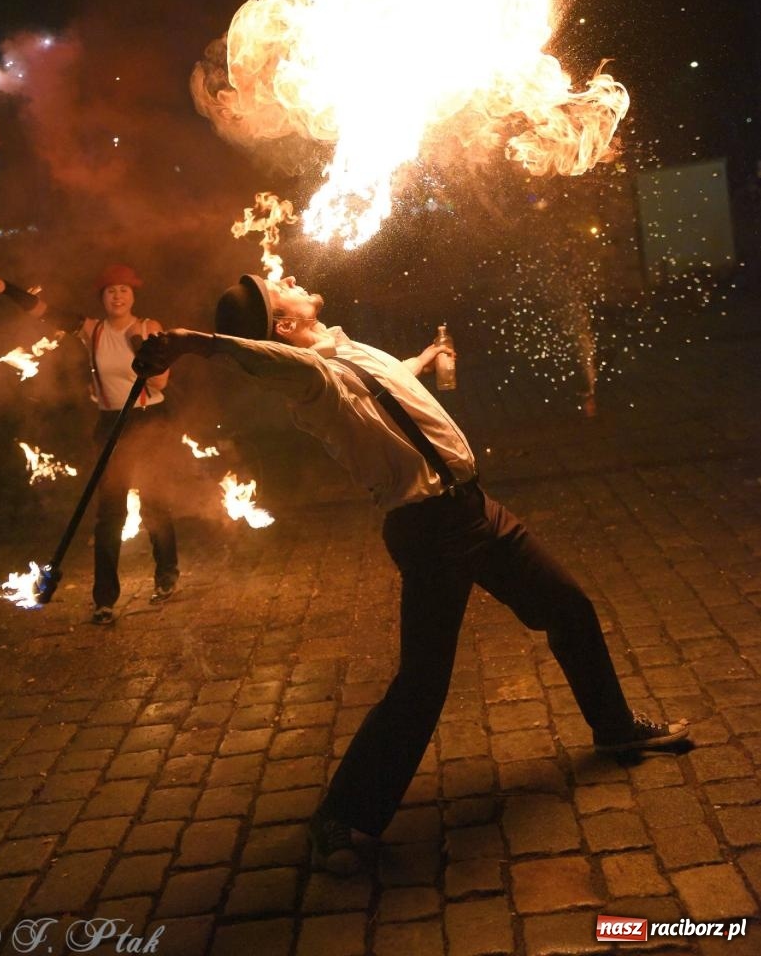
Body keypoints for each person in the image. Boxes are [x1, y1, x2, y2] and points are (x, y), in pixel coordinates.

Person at [133, 273, 689, 874]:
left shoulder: (346, 350)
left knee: (569, 607)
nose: (288, 275)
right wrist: (195, 340)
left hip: (477, 511)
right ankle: (338, 819)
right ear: (284, 327)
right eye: (278, 287)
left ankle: (615, 729)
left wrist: (423, 358)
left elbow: (384, 384)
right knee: (423, 683)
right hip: (430, 533)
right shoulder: (307, 378)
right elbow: (259, 359)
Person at [0, 266, 179, 625]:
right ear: (102, 298)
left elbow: (162, 382)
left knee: (155, 506)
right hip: (110, 424)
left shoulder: (150, 327)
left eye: (123, 290)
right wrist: (6, 287)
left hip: (149, 421)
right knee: (110, 515)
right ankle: (104, 600)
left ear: (133, 296)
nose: (117, 296)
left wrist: (142, 350)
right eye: (110, 291)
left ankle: (167, 575)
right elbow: (44, 312)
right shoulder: (92, 330)